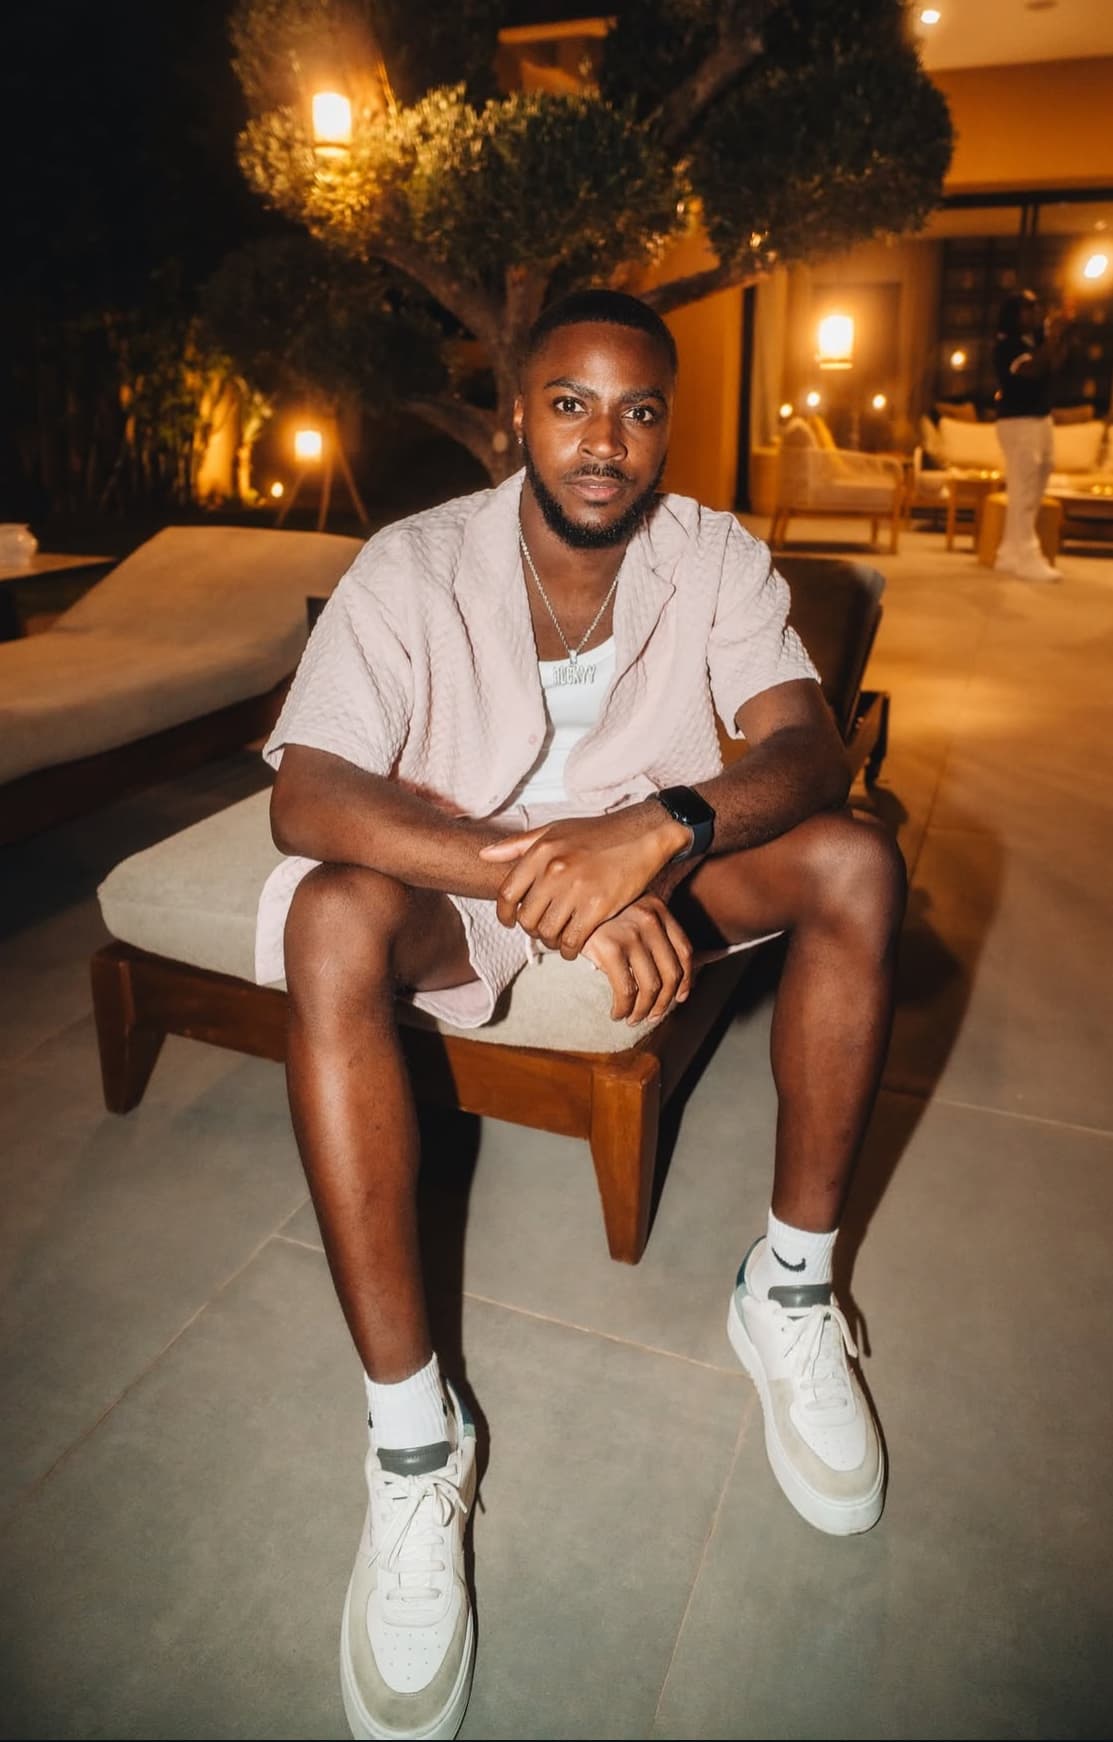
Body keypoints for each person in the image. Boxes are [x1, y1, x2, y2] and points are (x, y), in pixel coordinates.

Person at [255, 289, 907, 1742]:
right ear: (515, 417)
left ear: (665, 426)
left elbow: (802, 750)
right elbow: (311, 792)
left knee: (859, 860)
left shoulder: (715, 553)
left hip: (659, 856)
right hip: (457, 873)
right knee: (325, 915)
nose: (603, 440)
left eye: (635, 409)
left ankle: (789, 1293)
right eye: (569, 403)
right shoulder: (413, 561)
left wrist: (655, 833)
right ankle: (417, 1445)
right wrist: (549, 866)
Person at [992, 288, 1072, 582]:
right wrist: (1052, 337)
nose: (1034, 312)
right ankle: (1027, 554)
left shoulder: (1036, 341)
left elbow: (1054, 363)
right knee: (1023, 489)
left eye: (1036, 306)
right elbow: (1033, 370)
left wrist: (1059, 335)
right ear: (1013, 313)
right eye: (1027, 307)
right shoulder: (1007, 345)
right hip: (1018, 422)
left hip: (1040, 418)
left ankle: (1009, 552)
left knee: (1035, 485)